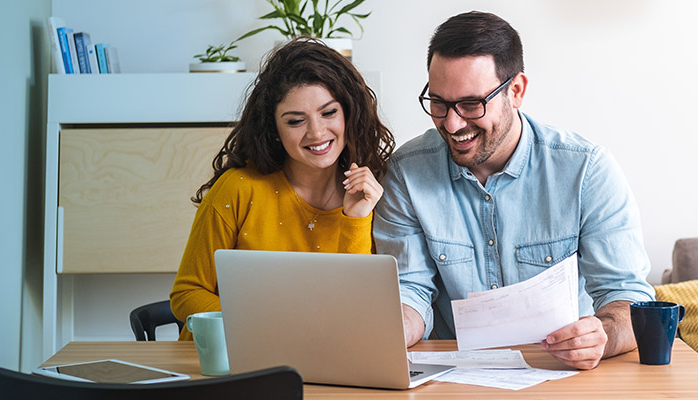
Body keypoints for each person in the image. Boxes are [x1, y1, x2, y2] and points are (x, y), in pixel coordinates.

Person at [376, 11, 655, 369]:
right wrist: (391, 329)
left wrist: (601, 335)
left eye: (471, 104)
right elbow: (410, 292)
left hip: (565, 375)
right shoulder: (407, 172)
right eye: (440, 103)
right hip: (455, 379)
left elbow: (628, 298)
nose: (452, 123)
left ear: (516, 90)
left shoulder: (586, 170)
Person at [170, 38, 395, 340]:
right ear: (274, 129)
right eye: (295, 121)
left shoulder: (373, 193)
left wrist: (356, 218)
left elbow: (355, 311)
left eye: (329, 113)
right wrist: (267, 326)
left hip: (323, 358)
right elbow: (186, 293)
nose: (316, 132)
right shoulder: (238, 189)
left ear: (349, 113)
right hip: (230, 361)